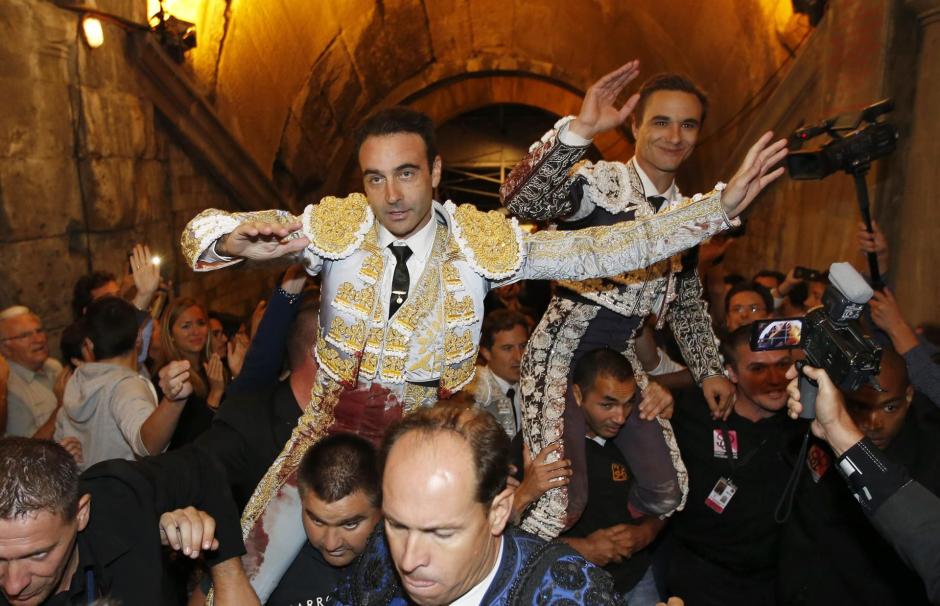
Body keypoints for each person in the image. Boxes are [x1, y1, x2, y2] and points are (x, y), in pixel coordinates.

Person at [180, 92, 786, 594]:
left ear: (436, 172)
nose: (392, 196)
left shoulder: (478, 244)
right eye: (376, 178)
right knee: (245, 574)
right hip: (327, 439)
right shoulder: (337, 227)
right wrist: (233, 242)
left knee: (422, 583)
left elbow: (598, 248)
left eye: (408, 174)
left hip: (427, 452)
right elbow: (198, 232)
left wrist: (713, 210)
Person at [501, 66, 755, 537]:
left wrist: (710, 369)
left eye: (688, 125)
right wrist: (580, 131)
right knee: (558, 501)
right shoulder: (601, 185)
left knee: (669, 490)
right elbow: (524, 201)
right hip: (560, 354)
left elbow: (685, 300)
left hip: (618, 362)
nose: (674, 137)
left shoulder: (691, 213)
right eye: (661, 122)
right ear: (634, 126)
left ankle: (607, 551)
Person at [332, 406, 625, 605]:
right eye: (397, 525)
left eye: (441, 533)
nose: (408, 561)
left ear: (498, 513)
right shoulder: (381, 549)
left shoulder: (571, 594)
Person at [0, 437, 254, 605]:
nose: (13, 585)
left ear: (81, 513)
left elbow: (203, 466)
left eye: (38, 555)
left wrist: (229, 576)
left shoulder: (120, 495)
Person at [779, 350, 940, 605]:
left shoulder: (930, 457)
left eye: (890, 407)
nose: (875, 422)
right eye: (859, 406)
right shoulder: (814, 431)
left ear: (909, 396)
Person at [662, 325, 806, 605]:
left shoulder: (805, 423)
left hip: (775, 582)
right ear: (731, 373)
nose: (775, 379)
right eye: (758, 369)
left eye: (783, 365)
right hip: (702, 579)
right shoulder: (691, 412)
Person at [557, 349, 664, 604]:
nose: (620, 417)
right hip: (571, 588)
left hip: (637, 579)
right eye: (607, 404)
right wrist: (585, 549)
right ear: (577, 394)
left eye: (628, 403)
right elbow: (514, 533)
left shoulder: (640, 433)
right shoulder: (544, 444)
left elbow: (669, 496)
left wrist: (646, 533)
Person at [53, 297, 194, 470]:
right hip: (126, 493)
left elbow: (59, 445)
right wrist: (173, 401)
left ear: (89, 345)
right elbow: (147, 446)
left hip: (87, 492)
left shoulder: (76, 380)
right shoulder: (126, 387)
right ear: (138, 339)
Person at [266, 434, 382, 606]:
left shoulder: (406, 569)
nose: (331, 544)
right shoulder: (269, 566)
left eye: (350, 524)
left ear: (384, 509)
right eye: (317, 521)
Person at [158, 298, 223, 448]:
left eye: (201, 323)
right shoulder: (169, 377)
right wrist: (215, 394)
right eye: (186, 326)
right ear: (171, 335)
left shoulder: (213, 365)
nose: (195, 332)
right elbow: (189, 442)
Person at [460, 310, 529, 437]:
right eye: (507, 348)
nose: (519, 357)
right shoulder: (473, 392)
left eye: (523, 345)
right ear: (486, 353)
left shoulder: (534, 383)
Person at [0, 306, 66, 440]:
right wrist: (62, 406)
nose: (39, 339)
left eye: (39, 331)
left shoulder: (54, 366)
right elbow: (29, 453)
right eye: (25, 335)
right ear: (5, 348)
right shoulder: (9, 389)